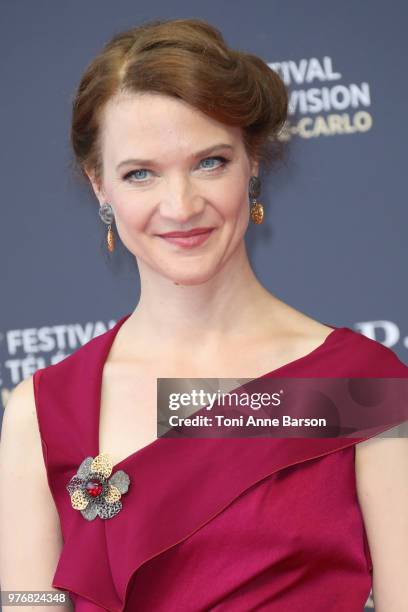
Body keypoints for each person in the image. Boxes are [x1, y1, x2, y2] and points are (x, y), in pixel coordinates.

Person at [1, 17, 407, 612]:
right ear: (99, 189)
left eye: (210, 162)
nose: (181, 206)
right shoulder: (44, 410)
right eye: (141, 173)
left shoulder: (355, 386)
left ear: (254, 162)